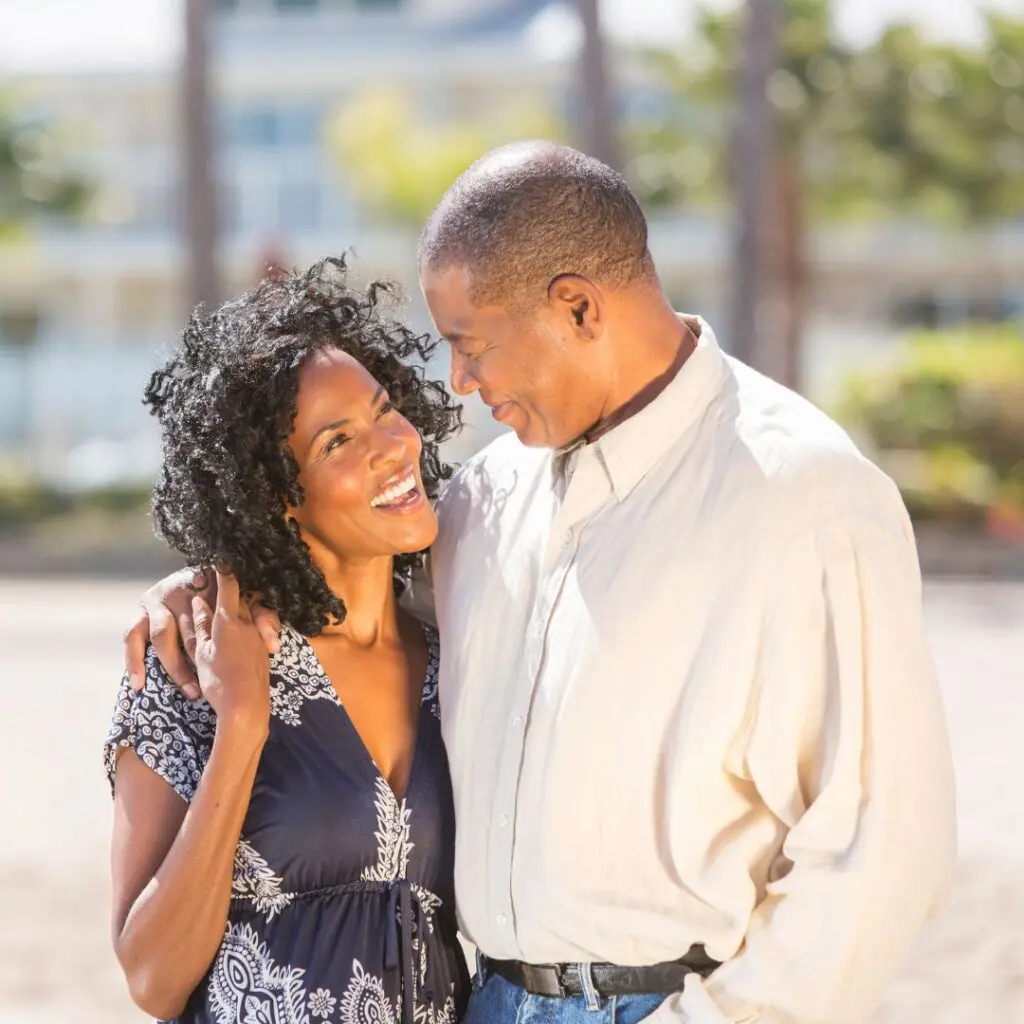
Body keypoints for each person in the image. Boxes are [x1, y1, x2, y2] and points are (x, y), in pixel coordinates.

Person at [124, 142, 957, 1024]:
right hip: (488, 1002)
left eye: (469, 343)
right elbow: (335, 567)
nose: (458, 382)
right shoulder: (489, 499)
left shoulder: (804, 496)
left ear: (578, 308)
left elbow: (886, 846)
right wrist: (210, 580)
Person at [105, 257, 470, 1024]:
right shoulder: (188, 666)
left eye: (382, 409)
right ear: (273, 496)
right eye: (338, 442)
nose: (391, 446)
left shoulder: (462, 657)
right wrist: (240, 723)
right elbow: (152, 978)